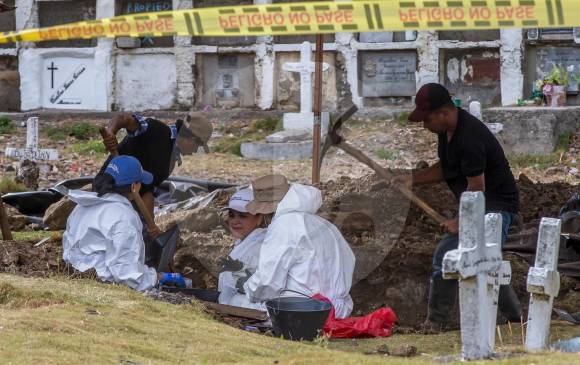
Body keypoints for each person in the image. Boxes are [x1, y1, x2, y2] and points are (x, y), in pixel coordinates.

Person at [393, 83, 522, 332]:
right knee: (487, 259)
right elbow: (446, 166)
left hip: (495, 207)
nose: (424, 126)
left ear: (444, 113)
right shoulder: (447, 131)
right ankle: (514, 316)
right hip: (479, 203)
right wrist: (413, 178)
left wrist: (460, 222)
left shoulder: (469, 138)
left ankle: (435, 321)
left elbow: (477, 187)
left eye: (427, 119)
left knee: (447, 254)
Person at [63, 156, 188, 291]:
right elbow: (127, 277)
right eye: (140, 182)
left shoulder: (82, 205)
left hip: (76, 275)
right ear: (134, 187)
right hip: (103, 287)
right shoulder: (124, 218)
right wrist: (158, 278)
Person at [242, 175, 356, 319]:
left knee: (233, 301)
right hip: (338, 310)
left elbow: (267, 283)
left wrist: (248, 289)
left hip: (301, 310)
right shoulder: (325, 225)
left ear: (266, 212)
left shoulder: (283, 225)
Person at [97, 112, 213, 230]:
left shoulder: (171, 161)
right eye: (198, 147)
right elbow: (123, 118)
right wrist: (111, 132)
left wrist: (150, 225)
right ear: (192, 140)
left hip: (130, 199)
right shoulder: (157, 131)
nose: (195, 151)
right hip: (107, 190)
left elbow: (148, 189)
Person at [218, 188, 270, 310]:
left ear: (259, 218)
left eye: (242, 216)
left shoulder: (259, 247)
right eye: (231, 215)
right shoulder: (244, 242)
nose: (235, 221)